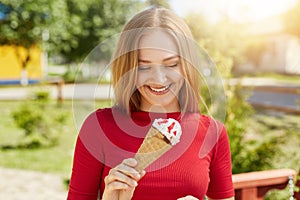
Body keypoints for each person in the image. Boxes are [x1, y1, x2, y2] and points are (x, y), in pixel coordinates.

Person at [67, 7, 235, 200]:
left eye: (171, 64)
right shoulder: (98, 127)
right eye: (144, 66)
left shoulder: (213, 133)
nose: (158, 78)